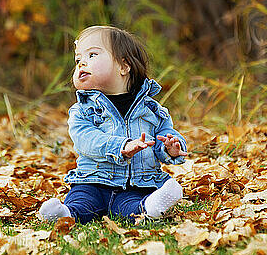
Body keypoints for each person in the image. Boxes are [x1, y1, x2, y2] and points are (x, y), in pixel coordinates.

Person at [38, 25, 187, 224]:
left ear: (123, 67)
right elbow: (86, 139)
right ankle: (66, 215)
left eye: (92, 55)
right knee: (83, 201)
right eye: (78, 59)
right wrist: (121, 146)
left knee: (130, 206)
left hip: (137, 185)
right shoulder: (82, 110)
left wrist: (171, 148)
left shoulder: (152, 110)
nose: (82, 63)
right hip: (93, 180)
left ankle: (149, 208)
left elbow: (165, 134)